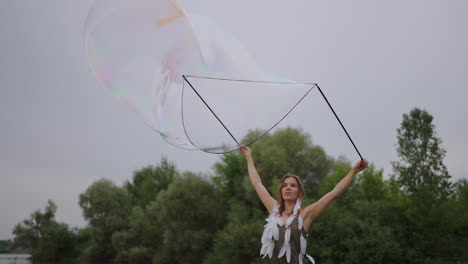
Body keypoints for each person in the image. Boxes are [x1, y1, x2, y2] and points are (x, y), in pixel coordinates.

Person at [240, 146, 368, 264]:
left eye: (293, 185)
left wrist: (354, 171)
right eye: (285, 185)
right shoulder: (274, 209)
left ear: (299, 192)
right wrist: (248, 157)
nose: (287, 188)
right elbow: (257, 183)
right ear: (281, 191)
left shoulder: (305, 215)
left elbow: (333, 193)